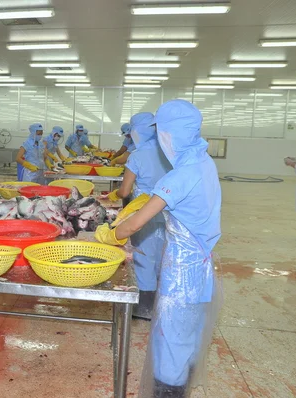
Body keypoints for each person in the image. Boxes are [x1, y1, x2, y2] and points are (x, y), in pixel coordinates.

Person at [95, 100, 222, 397]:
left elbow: (134, 225)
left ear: (169, 134)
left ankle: (169, 392)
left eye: (162, 132)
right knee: (187, 336)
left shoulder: (178, 177)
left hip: (182, 273)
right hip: (202, 266)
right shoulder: (204, 162)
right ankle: (180, 387)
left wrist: (110, 235)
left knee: (171, 342)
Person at [103, 112, 171, 319]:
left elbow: (124, 191)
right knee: (162, 255)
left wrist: (114, 194)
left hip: (144, 213)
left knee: (143, 257)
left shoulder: (137, 156)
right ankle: (162, 304)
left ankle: (144, 307)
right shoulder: (168, 152)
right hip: (168, 213)